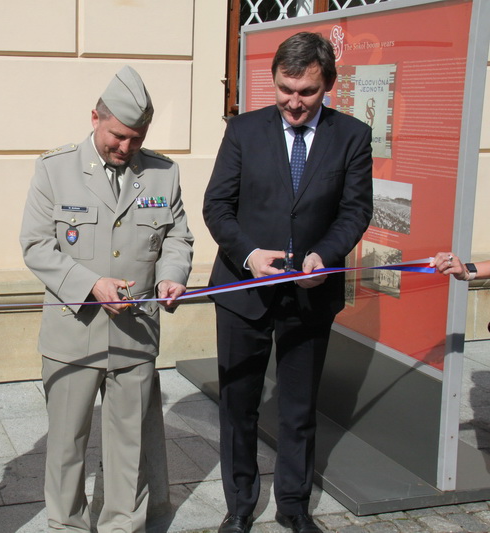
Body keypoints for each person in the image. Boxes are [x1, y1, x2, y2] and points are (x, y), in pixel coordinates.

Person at [202, 32, 373, 533]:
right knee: (239, 407)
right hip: (242, 291)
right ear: (273, 81)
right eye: (285, 89)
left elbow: (355, 209)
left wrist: (327, 253)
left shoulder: (352, 135)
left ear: (329, 87)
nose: (294, 103)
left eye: (307, 93)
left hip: (310, 296)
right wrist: (250, 254)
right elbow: (217, 205)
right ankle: (239, 507)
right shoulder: (244, 131)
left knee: (298, 410)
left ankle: (293, 507)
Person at [19, 66, 194, 533]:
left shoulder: (163, 173)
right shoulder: (54, 170)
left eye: (136, 138)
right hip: (72, 335)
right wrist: (90, 285)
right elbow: (36, 246)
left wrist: (172, 276)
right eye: (118, 136)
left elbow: (178, 238)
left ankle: (124, 525)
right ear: (95, 116)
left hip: (136, 334)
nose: (126, 148)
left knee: (129, 447)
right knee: (67, 446)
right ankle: (68, 526)